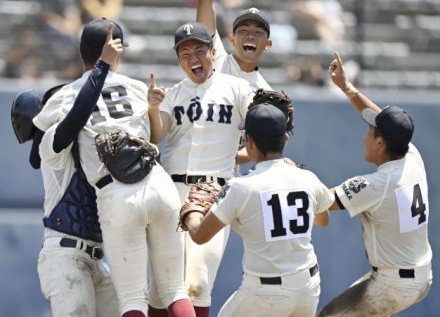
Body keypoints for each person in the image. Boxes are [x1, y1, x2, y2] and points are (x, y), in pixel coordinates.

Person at [33, 18, 195, 317]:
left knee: (133, 300)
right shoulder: (134, 87)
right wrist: (152, 108)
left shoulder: (66, 96)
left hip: (117, 193)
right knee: (175, 290)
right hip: (158, 183)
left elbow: (57, 124)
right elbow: (156, 136)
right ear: (116, 53)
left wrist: (101, 69)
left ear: (81, 51)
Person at [180, 102, 333, 317]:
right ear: (285, 139)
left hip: (264, 293)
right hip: (308, 287)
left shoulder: (241, 187)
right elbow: (323, 220)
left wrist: (191, 211)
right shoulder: (306, 177)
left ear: (249, 142)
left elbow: (199, 235)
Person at [147, 21, 255, 317]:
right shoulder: (174, 93)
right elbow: (158, 135)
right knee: (159, 286)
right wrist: (154, 110)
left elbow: (264, 132)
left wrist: (238, 157)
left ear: (212, 51)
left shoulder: (237, 88)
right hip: (171, 191)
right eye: (185, 53)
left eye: (199, 49)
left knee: (197, 282)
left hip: (213, 193)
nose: (193, 57)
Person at [317, 53, 433, 316]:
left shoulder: (377, 184)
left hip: (393, 283)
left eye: (370, 131)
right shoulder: (411, 154)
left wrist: (291, 173)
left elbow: (322, 199)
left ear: (380, 143)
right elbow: (384, 120)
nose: (365, 134)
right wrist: (347, 88)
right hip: (421, 273)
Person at [11, 39, 121, 316]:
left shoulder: (83, 149)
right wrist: (102, 67)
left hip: (96, 257)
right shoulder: (51, 144)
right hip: (66, 256)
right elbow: (76, 116)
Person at [196, 0, 273, 90]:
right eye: (243, 30)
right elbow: (205, 0)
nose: (250, 36)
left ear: (267, 45)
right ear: (232, 39)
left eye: (258, 32)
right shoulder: (216, 59)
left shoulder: (266, 94)